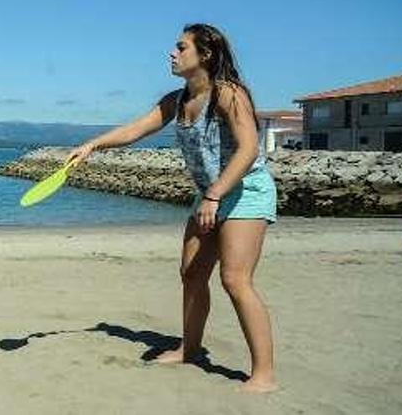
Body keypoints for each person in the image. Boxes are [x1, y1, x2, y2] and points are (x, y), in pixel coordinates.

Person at [66, 23, 278, 393]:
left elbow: (248, 150)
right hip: (209, 194)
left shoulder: (229, 94)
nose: (172, 53)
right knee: (191, 274)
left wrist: (215, 195)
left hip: (244, 191)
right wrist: (91, 146)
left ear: (205, 55)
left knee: (234, 279)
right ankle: (190, 350)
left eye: (181, 47)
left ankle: (264, 375)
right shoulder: (175, 100)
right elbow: (135, 130)